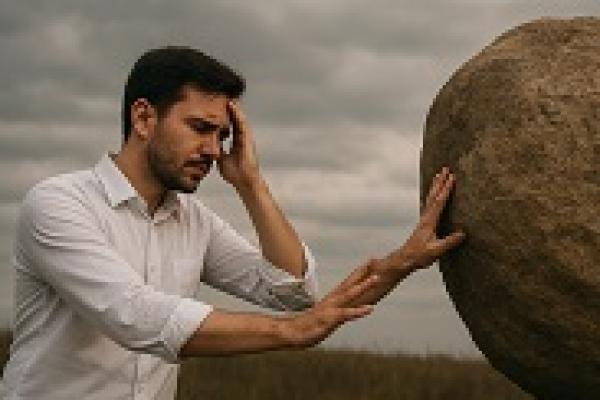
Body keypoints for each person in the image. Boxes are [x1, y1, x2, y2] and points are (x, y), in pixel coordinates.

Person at [0, 46, 465, 400]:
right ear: (143, 117)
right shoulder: (58, 204)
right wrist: (290, 332)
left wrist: (251, 184)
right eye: (200, 128)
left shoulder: (194, 222)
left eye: (222, 135)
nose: (213, 150)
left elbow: (293, 292)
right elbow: (133, 315)